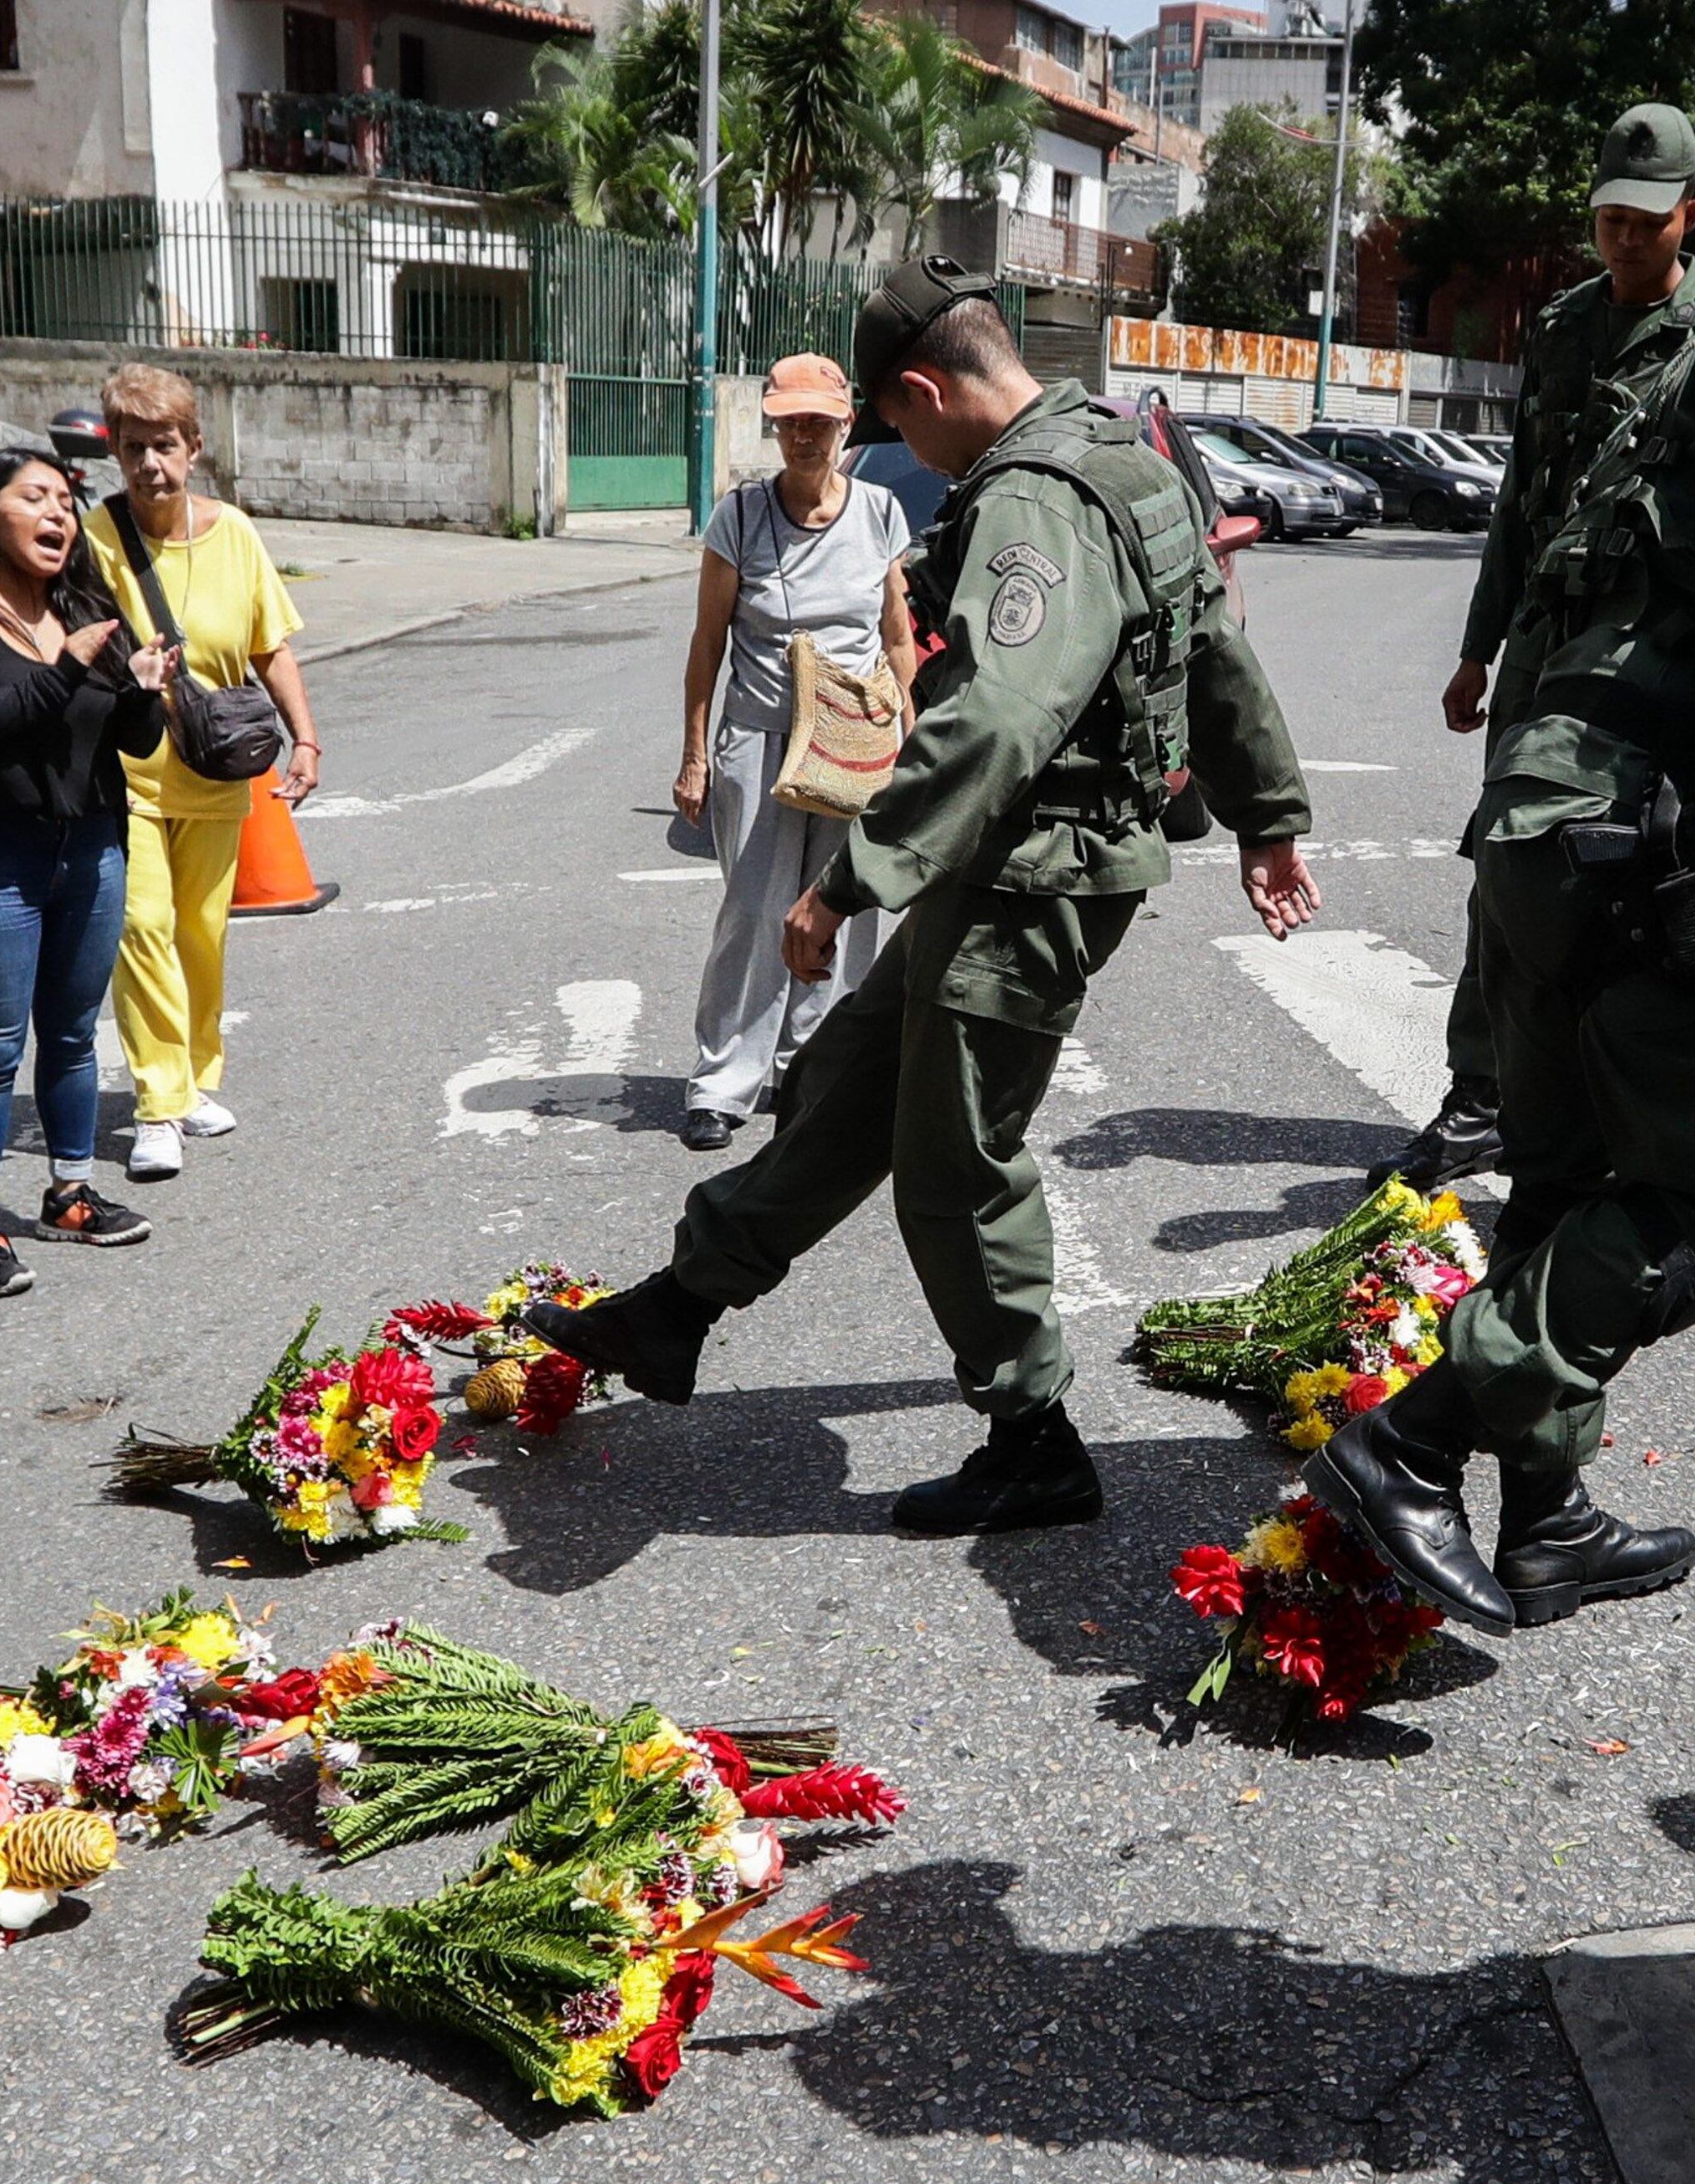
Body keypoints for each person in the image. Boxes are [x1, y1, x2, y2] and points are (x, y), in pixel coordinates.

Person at [522, 258, 1319, 1534]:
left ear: (920, 387)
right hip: (996, 863)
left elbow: (1000, 711)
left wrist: (849, 881)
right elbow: (1216, 648)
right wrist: (1267, 816)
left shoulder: (1033, 498)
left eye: (898, 426)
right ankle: (676, 1310)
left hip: (1032, 874)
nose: (909, 452)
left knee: (953, 1165)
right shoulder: (1126, 456)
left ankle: (1034, 1436)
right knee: (851, 1085)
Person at [1302, 203, 1695, 1638]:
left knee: (1554, 1191)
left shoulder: (1668, 383)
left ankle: (1547, 1523)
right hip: (1646, 842)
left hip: (1546, 823)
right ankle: (1411, 1443)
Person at [1386, 104, 1695, 1200]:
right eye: (1608, 220)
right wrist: (1480, 647)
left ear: (1691, 216)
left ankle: (1627, 1092)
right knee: (1507, 864)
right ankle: (1482, 1097)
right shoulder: (1567, 325)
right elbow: (1518, 505)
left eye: (1646, 221)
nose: (1625, 239)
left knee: (1659, 872)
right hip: (1546, 637)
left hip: (1656, 648)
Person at [0, 446, 175, 1295]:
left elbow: (136, 742)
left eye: (65, 500)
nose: (58, 515)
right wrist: (64, 669)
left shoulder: (88, 605)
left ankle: (68, 1191)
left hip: (91, 848)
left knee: (70, 1033)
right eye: (35, 498)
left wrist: (138, 687)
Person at [676, 352, 921, 1152]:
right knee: (753, 909)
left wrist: (908, 731)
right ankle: (722, 1082)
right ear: (772, 426)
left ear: (846, 423)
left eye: (819, 420)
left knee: (842, 909)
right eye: (789, 422)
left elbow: (895, 634)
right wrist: (696, 754)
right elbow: (708, 641)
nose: (804, 435)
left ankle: (811, 1069)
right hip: (758, 738)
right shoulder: (740, 517)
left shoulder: (880, 511)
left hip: (850, 738)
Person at [84, 364, 322, 1184]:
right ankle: (157, 1106)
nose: (150, 462)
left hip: (216, 767)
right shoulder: (97, 538)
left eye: (164, 444)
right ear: (115, 453)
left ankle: (194, 1077)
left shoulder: (236, 533)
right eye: (132, 447)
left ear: (194, 447)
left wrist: (306, 740)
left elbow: (269, 646)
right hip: (125, 770)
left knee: (201, 934)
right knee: (141, 927)